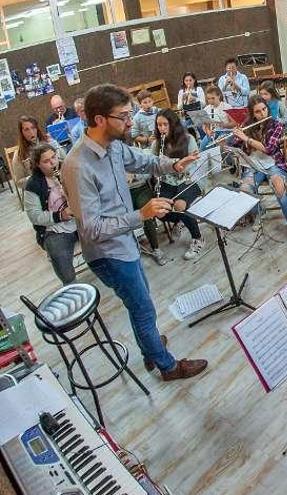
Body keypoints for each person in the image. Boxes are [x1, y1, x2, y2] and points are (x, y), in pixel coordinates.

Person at [61, 83, 207, 381]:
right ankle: (167, 366)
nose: (131, 122)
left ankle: (149, 348)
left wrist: (174, 164)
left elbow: (146, 161)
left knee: (140, 304)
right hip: (107, 253)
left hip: (124, 242)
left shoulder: (113, 145)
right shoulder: (77, 166)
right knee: (142, 308)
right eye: (124, 116)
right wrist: (140, 215)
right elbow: (91, 229)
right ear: (99, 119)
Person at [228, 95, 287, 253]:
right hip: (254, 165)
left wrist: (246, 138)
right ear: (252, 113)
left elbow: (268, 148)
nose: (262, 114)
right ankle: (259, 211)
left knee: (280, 188)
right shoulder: (248, 125)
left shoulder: (276, 125)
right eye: (258, 112)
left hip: (274, 164)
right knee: (244, 191)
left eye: (264, 109)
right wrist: (233, 137)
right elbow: (234, 145)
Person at [151, 109, 204, 261]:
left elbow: (195, 165)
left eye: (165, 125)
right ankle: (181, 220)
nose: (161, 128)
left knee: (180, 205)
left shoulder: (188, 139)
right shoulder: (157, 144)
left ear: (173, 125)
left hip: (189, 179)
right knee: (159, 211)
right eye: (159, 125)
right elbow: (153, 165)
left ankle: (198, 238)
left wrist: (181, 164)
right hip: (168, 181)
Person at [24, 143, 78, 284]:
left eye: (53, 157)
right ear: (37, 164)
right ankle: (71, 285)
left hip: (80, 219)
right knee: (58, 253)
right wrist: (59, 215)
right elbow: (34, 216)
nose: (52, 163)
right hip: (55, 228)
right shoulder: (33, 185)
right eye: (46, 161)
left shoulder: (69, 168)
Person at [12, 116, 66, 191]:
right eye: (26, 129)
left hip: (60, 182)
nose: (31, 132)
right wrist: (36, 179)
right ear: (21, 132)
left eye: (33, 128)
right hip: (40, 189)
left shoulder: (50, 142)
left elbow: (65, 161)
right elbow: (19, 182)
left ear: (37, 128)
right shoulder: (19, 154)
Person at [200, 85, 235, 151]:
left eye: (213, 98)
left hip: (226, 132)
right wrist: (208, 131)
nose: (210, 101)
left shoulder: (227, 107)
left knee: (220, 146)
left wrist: (224, 125)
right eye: (208, 99)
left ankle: (228, 160)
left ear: (218, 96)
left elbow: (234, 123)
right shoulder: (206, 109)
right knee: (202, 147)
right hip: (213, 132)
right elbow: (206, 126)